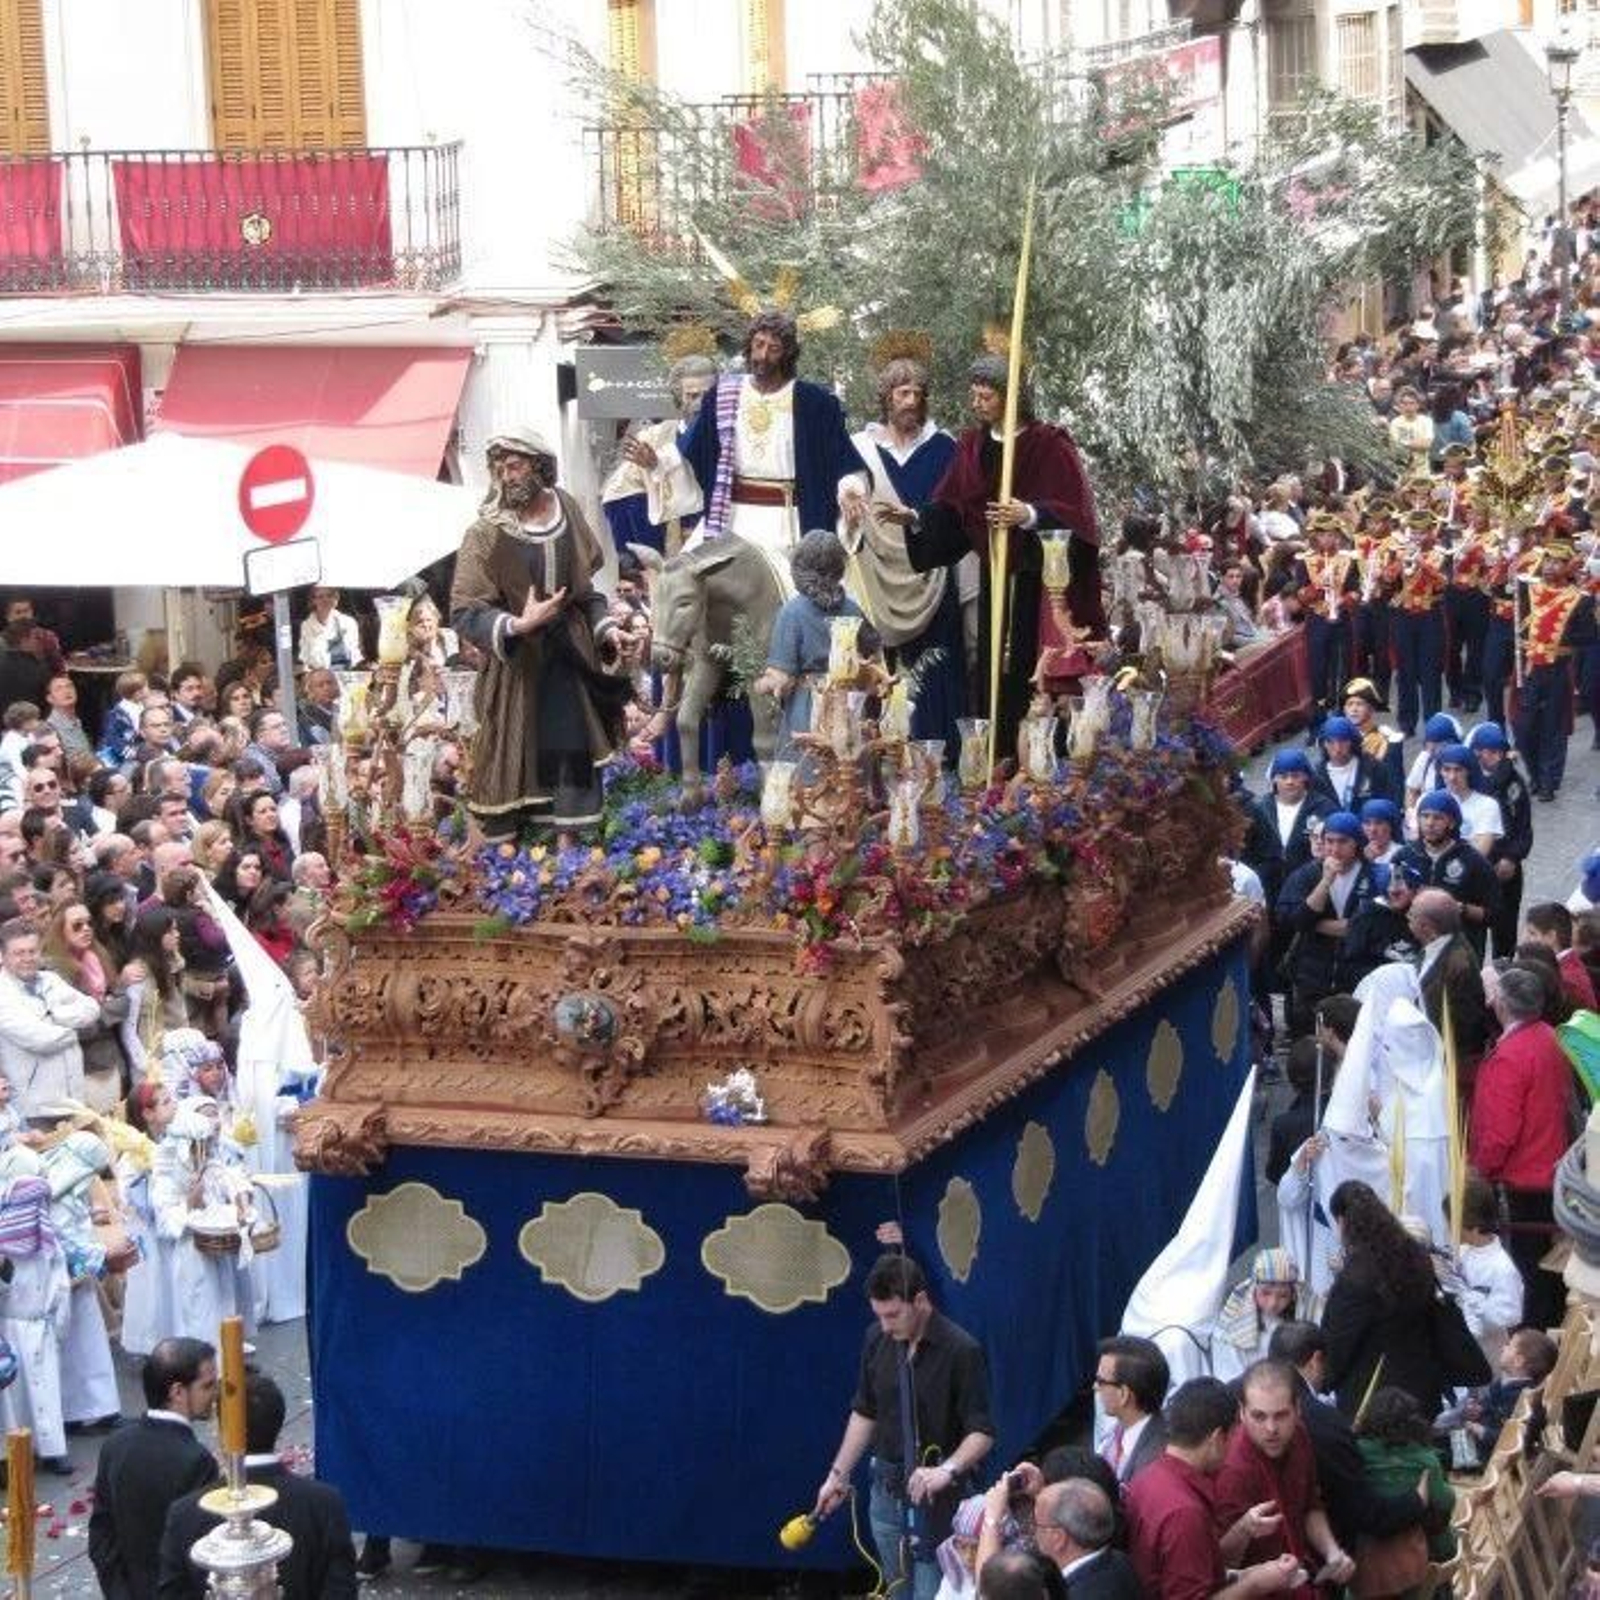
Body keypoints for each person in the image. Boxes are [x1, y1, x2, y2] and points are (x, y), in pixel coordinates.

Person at [903, 352, 1103, 767]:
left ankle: (1044, 758)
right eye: (974, 396)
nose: (977, 404)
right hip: (994, 572)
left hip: (1037, 579)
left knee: (1030, 669)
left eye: (986, 396)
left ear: (1012, 398)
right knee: (992, 667)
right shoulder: (973, 445)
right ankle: (997, 757)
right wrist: (917, 519)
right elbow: (956, 504)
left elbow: (1077, 514)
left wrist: (1028, 514)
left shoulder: (1048, 444)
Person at [449, 427, 635, 836]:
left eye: (513, 466)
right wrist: (517, 623)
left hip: (569, 656)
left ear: (538, 467)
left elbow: (585, 592)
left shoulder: (565, 508)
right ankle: (512, 859)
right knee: (511, 749)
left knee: (572, 747)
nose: (505, 476)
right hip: (517, 664)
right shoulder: (486, 532)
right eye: (498, 468)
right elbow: (464, 611)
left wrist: (606, 630)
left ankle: (572, 856)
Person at [627, 310, 869, 578]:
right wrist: (656, 463)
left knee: (806, 595)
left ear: (788, 353)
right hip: (731, 520)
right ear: (749, 345)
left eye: (774, 349)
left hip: (791, 522)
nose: (763, 356)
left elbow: (844, 459)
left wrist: (850, 488)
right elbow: (693, 451)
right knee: (690, 584)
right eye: (758, 344)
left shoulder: (815, 402)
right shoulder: (724, 395)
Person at [814, 1253, 995, 1600]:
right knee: (897, 1590)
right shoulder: (876, 1338)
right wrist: (838, 1474)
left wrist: (947, 1469)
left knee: (928, 1593)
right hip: (884, 1489)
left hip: (936, 1498)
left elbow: (982, 1431)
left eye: (893, 1315)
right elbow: (865, 1411)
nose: (885, 1326)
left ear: (921, 1300)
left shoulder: (962, 1350)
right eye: (879, 1316)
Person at [843, 349, 968, 749]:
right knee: (874, 660)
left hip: (931, 569)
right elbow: (848, 487)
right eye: (901, 393)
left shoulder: (945, 447)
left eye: (916, 393)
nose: (910, 401)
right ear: (886, 398)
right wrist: (848, 496)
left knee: (938, 660)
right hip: (876, 573)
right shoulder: (860, 447)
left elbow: (956, 510)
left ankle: (937, 750)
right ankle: (875, 751)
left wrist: (919, 520)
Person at [158, 1370, 357, 1599]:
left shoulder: (185, 1513)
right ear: (278, 1425)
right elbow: (341, 1590)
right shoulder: (324, 1504)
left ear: (223, 1432)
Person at [1123, 1376, 1305, 1599]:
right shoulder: (1185, 1514)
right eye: (1234, 1435)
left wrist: (1243, 1529)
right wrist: (1256, 1584)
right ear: (1218, 1438)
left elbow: (1197, 1566)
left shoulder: (1147, 1478)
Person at [1265, 1322, 1431, 1562]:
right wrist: (1415, 1501)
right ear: (1316, 1360)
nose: (1270, 1428)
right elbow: (1362, 1511)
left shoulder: (1239, 1395)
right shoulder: (1322, 1423)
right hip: (1303, 1559)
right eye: (1260, 1416)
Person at [1469, 964, 1574, 1330]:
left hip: (1519, 1182)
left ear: (1501, 1005)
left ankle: (1530, 1349)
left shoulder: (1510, 1057)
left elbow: (1499, 1132)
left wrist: (1479, 1171)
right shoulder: (1549, 1037)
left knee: (1527, 1279)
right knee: (1547, 1276)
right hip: (1549, 1175)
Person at [89, 1337, 219, 1600]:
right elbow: (199, 1552)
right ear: (178, 1392)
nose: (215, 1394)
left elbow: (102, 1536)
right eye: (207, 1386)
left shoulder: (115, 1445)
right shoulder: (196, 1460)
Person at [1321, 1181, 1463, 1419]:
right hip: (1422, 1386)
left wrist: (1324, 1382)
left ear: (1342, 1221)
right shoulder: (1416, 1258)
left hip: (1373, 1398)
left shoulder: (1356, 1277)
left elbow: (1338, 1341)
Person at [1214, 1361, 1355, 1595]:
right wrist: (1243, 1529)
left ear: (1298, 1409)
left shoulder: (1299, 1435)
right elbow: (1219, 1565)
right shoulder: (1232, 1467)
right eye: (1259, 1416)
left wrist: (1332, 1552)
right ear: (1242, 1412)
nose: (1271, 1429)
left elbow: (1310, 1505)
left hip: (1302, 1582)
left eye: (1281, 1415)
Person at [752, 529, 868, 758]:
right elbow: (872, 661)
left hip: (809, 711)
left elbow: (781, 680)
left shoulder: (792, 612)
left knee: (807, 784)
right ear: (839, 568)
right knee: (850, 783)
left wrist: (758, 684)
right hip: (849, 708)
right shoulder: (854, 610)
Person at [1276, 811, 1384, 1037]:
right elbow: (1292, 919)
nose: (1335, 849)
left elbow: (1377, 924)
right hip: (1313, 976)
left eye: (1343, 842)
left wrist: (1321, 924)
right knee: (1309, 1041)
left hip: (1356, 976)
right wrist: (1325, 882)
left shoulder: (1374, 876)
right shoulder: (1306, 875)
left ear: (1357, 843)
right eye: (1329, 842)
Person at [603, 347, 715, 556]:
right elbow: (620, 494)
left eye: (708, 395)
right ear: (678, 398)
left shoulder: (733, 433)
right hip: (674, 543)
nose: (700, 404)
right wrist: (640, 553)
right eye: (692, 396)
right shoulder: (653, 439)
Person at [0, 915, 99, 1116]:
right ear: (2, 955)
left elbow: (92, 1008)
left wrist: (58, 1015)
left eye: (32, 951)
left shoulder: (50, 979)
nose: (27, 958)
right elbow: (40, 1039)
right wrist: (75, 1031)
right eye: (19, 953)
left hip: (74, 1098)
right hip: (36, 1109)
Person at [1352, 1388, 1456, 1564]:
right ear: (1413, 1421)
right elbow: (1445, 1501)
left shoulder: (1355, 1452)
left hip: (1368, 1553)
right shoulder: (1425, 1458)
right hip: (1424, 1552)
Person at [1398, 791, 1497, 958]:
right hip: (1411, 949)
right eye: (1425, 816)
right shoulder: (1405, 856)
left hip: (1459, 951)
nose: (1429, 823)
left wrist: (1460, 908)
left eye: (1438, 818)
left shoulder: (1473, 861)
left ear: (1451, 822)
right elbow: (1389, 903)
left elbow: (1494, 914)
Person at [1469, 721, 1532, 958]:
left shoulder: (1513, 781)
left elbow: (1523, 827)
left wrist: (1511, 857)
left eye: (1500, 752)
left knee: (1505, 928)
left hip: (1505, 866)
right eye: (1491, 752)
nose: (1498, 757)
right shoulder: (1469, 780)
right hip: (1476, 864)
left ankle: (1503, 968)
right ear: (1477, 752)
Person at [1449, 1174, 1525, 1364]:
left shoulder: (1501, 1268)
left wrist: (1473, 1302)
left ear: (1473, 1228)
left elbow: (1510, 1315)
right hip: (1463, 1344)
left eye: (1454, 1223)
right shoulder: (1463, 1251)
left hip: (1488, 1352)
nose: (1450, 1228)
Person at [1411, 888, 1489, 1062]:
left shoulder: (1459, 965)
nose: (1407, 919)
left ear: (1426, 927)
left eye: (1411, 916)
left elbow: (1460, 1025)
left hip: (1448, 1061)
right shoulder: (1433, 946)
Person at [1031, 1479, 1139, 1597]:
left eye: (1036, 1523)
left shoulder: (1074, 1594)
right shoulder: (1119, 1560)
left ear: (1058, 1538)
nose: (1032, 1530)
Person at [1210, 1251, 1301, 1385]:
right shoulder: (1230, 1328)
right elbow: (1228, 1377)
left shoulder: (1302, 1318)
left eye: (1283, 1296)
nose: (1273, 1303)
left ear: (1293, 1295)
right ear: (1253, 1288)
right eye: (1265, 1293)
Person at [1092, 1334, 1169, 1486]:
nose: (1095, 1387)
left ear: (1124, 1394)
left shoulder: (1152, 1464)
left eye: (1101, 1381)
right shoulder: (1119, 1432)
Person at [1524, 899, 1598, 1011]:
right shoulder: (1568, 962)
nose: (1525, 939)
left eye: (1532, 933)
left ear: (1551, 936)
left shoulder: (1563, 977)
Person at [297, 587, 364, 672]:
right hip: (318, 677)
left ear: (336, 598)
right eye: (320, 596)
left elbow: (355, 654)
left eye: (329, 595)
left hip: (345, 674)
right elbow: (305, 657)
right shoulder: (306, 626)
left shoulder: (349, 622)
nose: (325, 600)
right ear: (313, 600)